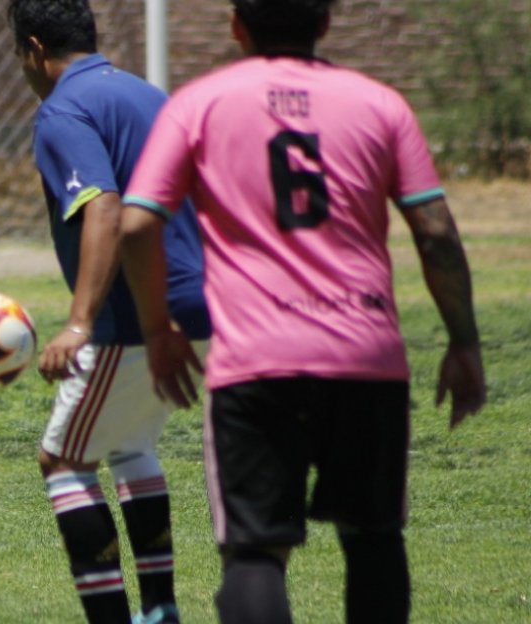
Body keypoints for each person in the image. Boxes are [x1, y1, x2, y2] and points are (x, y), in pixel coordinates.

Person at [118, 1, 487, 622]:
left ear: (236, 24)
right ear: (325, 22)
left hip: (256, 363)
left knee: (256, 552)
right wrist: (464, 342)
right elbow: (436, 232)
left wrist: (159, 329)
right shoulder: (379, 103)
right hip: (365, 358)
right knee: (373, 537)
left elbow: (134, 225)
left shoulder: (199, 104)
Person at [6, 1, 210, 623]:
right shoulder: (147, 95)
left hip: (136, 314)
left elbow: (103, 208)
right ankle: (159, 612)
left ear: (35, 48)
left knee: (63, 460)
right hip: (202, 307)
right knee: (129, 445)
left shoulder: (64, 109)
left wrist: (78, 322)